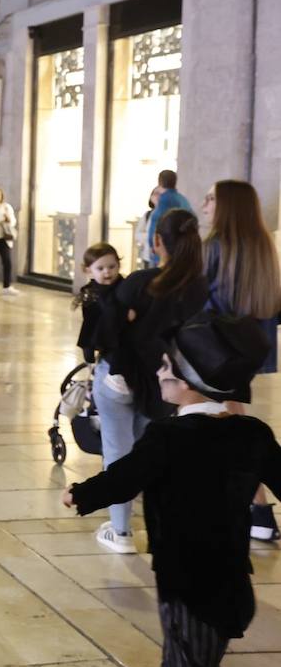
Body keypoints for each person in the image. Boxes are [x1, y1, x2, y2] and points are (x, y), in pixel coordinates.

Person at [64, 321, 279, 667]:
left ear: (188, 383)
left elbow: (125, 478)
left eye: (166, 367)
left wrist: (79, 494)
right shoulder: (252, 433)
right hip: (231, 581)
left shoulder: (169, 436)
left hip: (187, 585)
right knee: (183, 661)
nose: (160, 373)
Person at [92, 209, 208, 553]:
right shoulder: (199, 288)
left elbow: (104, 334)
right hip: (166, 383)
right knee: (147, 450)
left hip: (120, 380)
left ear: (157, 241)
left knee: (117, 450)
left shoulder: (141, 282)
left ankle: (121, 531)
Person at [201, 179, 281, 542]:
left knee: (233, 429)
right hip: (246, 350)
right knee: (230, 423)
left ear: (227, 206)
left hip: (212, 352)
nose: (205, 205)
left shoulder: (214, 247)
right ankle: (252, 507)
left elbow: (198, 303)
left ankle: (260, 509)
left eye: (211, 199)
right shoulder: (263, 247)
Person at [75, 244, 122, 365]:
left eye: (112, 267)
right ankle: (89, 347)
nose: (107, 271)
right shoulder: (90, 291)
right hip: (97, 325)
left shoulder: (124, 286)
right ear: (88, 270)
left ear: (119, 265)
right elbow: (88, 320)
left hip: (118, 329)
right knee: (92, 318)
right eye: (100, 268)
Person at [147, 170, 193, 266]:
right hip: (184, 249)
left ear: (159, 182)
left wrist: (152, 244)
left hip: (165, 251)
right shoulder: (183, 199)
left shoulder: (163, 200)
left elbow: (156, 223)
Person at [135, 187, 162, 271]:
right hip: (148, 255)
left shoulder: (169, 213)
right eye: (155, 194)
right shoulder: (148, 215)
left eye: (161, 194)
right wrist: (150, 237)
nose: (158, 197)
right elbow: (138, 234)